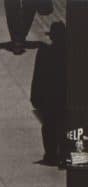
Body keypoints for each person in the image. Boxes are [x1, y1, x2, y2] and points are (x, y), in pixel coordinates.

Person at [30, 21, 66, 166]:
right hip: (65, 96)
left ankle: (51, 154)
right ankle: (64, 154)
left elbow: (37, 76)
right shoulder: (72, 52)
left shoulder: (45, 53)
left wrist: (35, 96)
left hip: (49, 98)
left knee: (49, 127)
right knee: (64, 126)